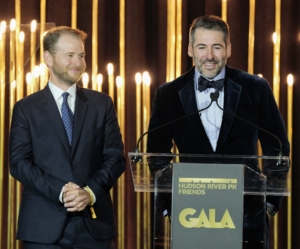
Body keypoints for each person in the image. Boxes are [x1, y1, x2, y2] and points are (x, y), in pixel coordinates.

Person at [147, 15, 290, 248]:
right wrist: (170, 204)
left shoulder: (255, 88)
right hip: (191, 212)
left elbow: (278, 146)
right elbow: (156, 153)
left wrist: (270, 200)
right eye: (202, 47)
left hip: (247, 214)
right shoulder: (168, 94)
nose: (210, 56)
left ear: (228, 49)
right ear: (190, 49)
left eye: (217, 47)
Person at [9, 26, 125, 248]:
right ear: (48, 58)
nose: (78, 62)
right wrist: (63, 192)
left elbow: (115, 157)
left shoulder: (102, 104)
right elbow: (19, 164)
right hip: (42, 229)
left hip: (94, 227)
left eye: (81, 55)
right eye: (70, 55)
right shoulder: (26, 108)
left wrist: (89, 193)